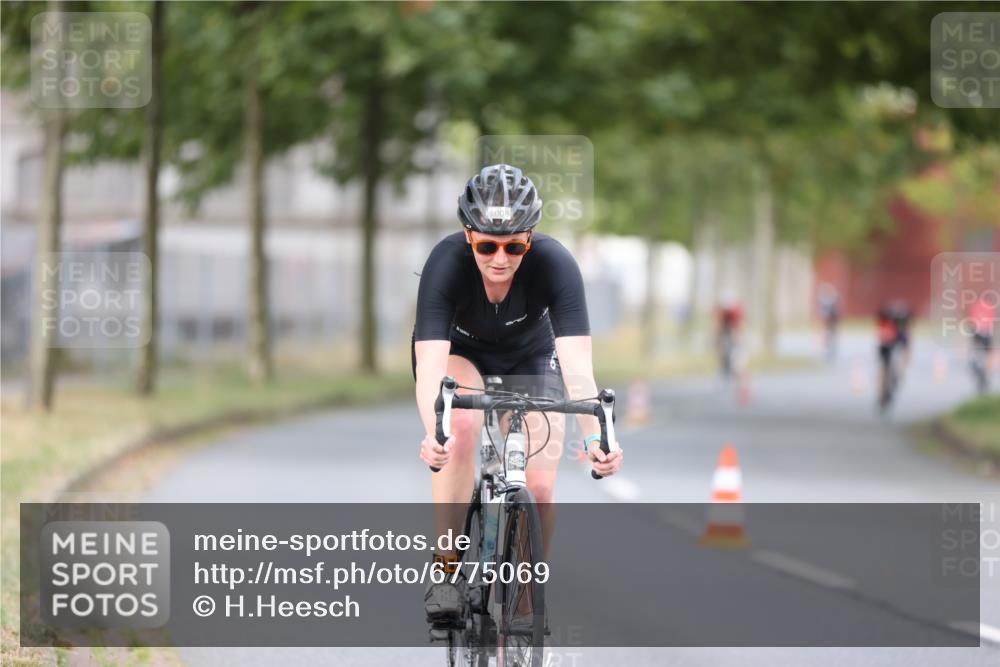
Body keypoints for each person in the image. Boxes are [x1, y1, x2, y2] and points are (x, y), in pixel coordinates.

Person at [412, 163, 624, 620]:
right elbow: (429, 367)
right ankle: (447, 570)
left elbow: (579, 372)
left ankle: (526, 599)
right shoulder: (445, 264)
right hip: (462, 355)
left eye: (515, 245)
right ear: (469, 237)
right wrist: (436, 431)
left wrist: (596, 440)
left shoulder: (556, 264)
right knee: (462, 426)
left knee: (541, 487)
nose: (501, 258)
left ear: (531, 239)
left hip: (531, 358)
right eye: (487, 245)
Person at [876, 300, 912, 409]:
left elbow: (906, 345)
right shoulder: (889, 323)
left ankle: (885, 390)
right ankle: (882, 393)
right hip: (887, 340)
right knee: (884, 366)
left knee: (885, 366)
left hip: (890, 339)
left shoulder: (895, 324)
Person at [967, 294, 996, 392]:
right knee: (986, 352)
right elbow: (991, 320)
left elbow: (972, 318)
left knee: (978, 350)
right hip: (985, 332)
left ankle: (977, 364)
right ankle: (983, 368)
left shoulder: (976, 306)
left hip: (978, 331)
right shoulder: (989, 307)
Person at [716, 290, 744, 378]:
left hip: (734, 329)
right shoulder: (721, 310)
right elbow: (719, 323)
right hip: (725, 330)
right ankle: (725, 366)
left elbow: (738, 323)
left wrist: (736, 334)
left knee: (735, 349)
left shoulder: (736, 309)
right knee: (724, 347)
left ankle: (735, 367)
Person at [817, 283, 840, 361]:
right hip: (830, 321)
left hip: (830, 321)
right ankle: (829, 349)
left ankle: (830, 349)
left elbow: (825, 312)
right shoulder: (828, 300)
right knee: (829, 336)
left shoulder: (827, 301)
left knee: (829, 335)